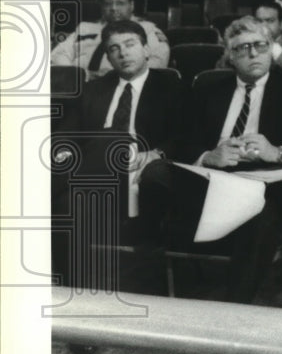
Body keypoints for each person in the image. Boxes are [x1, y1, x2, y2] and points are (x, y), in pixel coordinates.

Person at [146, 15, 282, 303]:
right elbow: (182, 139)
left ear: (270, 49)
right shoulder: (208, 91)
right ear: (229, 57)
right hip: (213, 176)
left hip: (265, 181)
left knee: (259, 214)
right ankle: (168, 279)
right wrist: (208, 156)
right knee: (154, 174)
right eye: (242, 48)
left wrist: (277, 152)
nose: (253, 53)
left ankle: (234, 308)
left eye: (260, 45)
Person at [52, 19, 186, 293]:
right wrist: (66, 152)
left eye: (129, 45)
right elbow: (65, 137)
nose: (122, 53)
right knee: (68, 205)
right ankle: (72, 300)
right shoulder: (93, 89)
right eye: (113, 49)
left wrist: (156, 153)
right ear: (108, 57)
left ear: (146, 49)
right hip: (91, 180)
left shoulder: (171, 87)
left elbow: (187, 136)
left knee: (115, 139)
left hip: (141, 174)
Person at [51, 0, 170, 77]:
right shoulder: (84, 28)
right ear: (102, 7)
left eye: (120, 3)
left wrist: (120, 77)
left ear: (132, 5)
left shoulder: (147, 28)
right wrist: (81, 75)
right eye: (108, 3)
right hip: (84, 84)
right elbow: (58, 55)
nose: (113, 8)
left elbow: (159, 60)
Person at [216, 0, 282, 74]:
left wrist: (272, 46)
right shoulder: (242, 41)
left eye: (270, 21)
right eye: (259, 21)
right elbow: (221, 70)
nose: (264, 26)